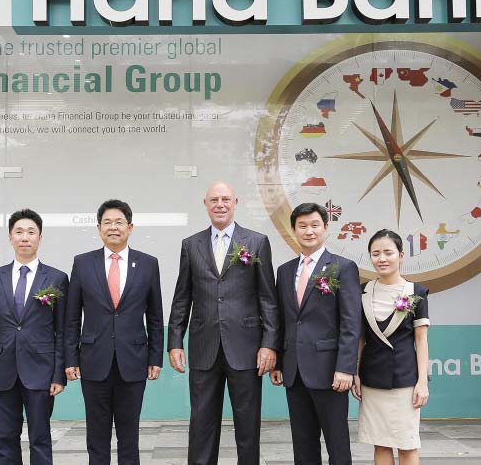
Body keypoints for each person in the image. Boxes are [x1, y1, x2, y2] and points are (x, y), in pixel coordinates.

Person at [168, 181, 279, 465]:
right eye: (214, 199)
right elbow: (182, 297)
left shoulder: (256, 241)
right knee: (201, 423)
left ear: (235, 203)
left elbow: (268, 298)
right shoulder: (191, 245)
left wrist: (269, 344)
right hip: (204, 346)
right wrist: (175, 342)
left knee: (247, 424)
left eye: (226, 199)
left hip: (246, 348)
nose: (220, 204)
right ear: (205, 203)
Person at [65, 199, 164, 465]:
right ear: (98, 228)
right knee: (96, 435)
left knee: (129, 435)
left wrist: (155, 357)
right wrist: (71, 358)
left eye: (119, 222)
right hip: (93, 360)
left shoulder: (148, 263)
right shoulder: (83, 263)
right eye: (107, 222)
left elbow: (155, 317)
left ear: (130, 227)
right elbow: (72, 317)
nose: (113, 227)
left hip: (133, 361)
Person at [270, 202, 362, 465]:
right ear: (293, 230)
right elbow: (283, 319)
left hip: (330, 371)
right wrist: (278, 361)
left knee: (337, 443)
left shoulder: (343, 267)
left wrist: (346, 368)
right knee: (303, 444)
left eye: (314, 225)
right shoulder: (285, 271)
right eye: (302, 226)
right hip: (295, 371)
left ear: (325, 228)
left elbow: (351, 322)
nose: (308, 231)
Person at [0, 209, 68, 465]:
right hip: (0, 370)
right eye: (18, 232)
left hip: (41, 371)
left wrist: (58, 374)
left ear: (40, 237)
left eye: (31, 232)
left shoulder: (57, 278)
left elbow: (62, 331)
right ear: (10, 237)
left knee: (40, 438)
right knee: (4, 439)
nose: (25, 237)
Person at [352, 229, 430, 465]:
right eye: (376, 254)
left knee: (407, 445)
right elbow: (360, 338)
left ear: (401, 255)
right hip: (372, 379)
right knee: (381, 443)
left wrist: (422, 382)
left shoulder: (416, 292)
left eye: (388, 252)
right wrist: (355, 373)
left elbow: (421, 340)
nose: (382, 259)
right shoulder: (362, 291)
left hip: (404, 380)